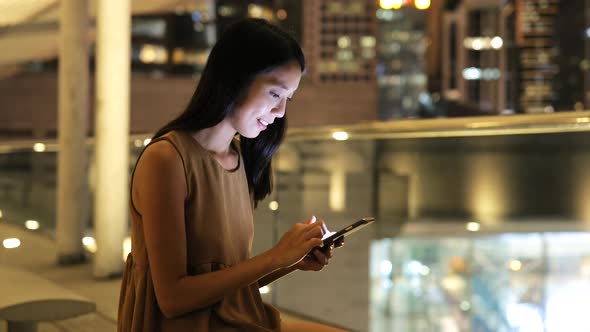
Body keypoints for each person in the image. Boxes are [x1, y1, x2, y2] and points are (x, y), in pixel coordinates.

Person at [118, 18, 345, 332]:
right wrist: (276, 256)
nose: (281, 112)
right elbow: (172, 298)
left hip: (228, 318)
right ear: (236, 79)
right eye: (275, 94)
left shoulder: (238, 158)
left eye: (287, 99)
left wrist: (290, 260)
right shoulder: (167, 160)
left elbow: (222, 278)